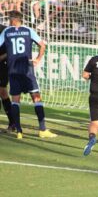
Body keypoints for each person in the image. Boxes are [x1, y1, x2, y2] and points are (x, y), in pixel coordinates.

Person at [0, 10, 57, 139]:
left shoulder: (7, 32)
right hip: (27, 70)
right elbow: (42, 45)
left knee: (15, 100)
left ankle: (19, 131)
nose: (8, 21)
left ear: (14, 20)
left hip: (13, 70)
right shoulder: (28, 30)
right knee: (36, 98)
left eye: (10, 18)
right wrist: (38, 59)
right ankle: (42, 129)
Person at [0, 24, 15, 133]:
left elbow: (11, 49)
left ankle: (12, 123)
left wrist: (1, 57)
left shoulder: (5, 30)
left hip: (2, 65)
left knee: (2, 92)